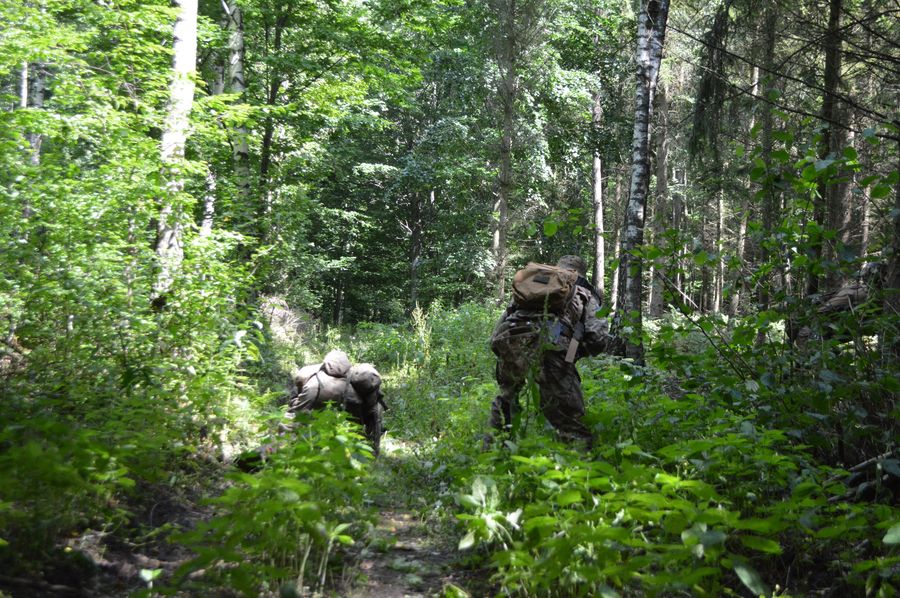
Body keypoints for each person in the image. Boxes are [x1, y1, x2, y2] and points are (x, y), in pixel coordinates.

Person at [488, 255, 622, 448]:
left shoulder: (532, 285)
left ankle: (493, 450)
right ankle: (577, 459)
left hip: (511, 341)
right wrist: (574, 352)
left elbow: (499, 328)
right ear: (580, 273)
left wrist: (503, 351)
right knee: (568, 416)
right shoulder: (583, 291)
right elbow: (598, 337)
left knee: (506, 401)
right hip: (553, 348)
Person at [288, 350, 386, 455]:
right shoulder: (355, 384)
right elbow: (370, 418)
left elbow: (296, 408)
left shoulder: (313, 377)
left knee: (295, 419)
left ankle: (285, 448)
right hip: (351, 404)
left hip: (313, 392)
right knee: (354, 431)